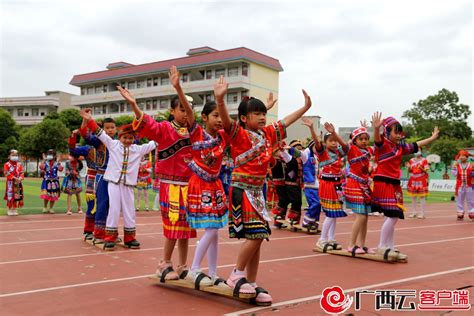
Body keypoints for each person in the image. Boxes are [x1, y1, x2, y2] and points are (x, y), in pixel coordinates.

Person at [217, 72, 312, 305]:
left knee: (257, 236)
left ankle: (250, 280)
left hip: (258, 191)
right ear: (244, 118)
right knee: (258, 233)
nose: (262, 117)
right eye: (256, 113)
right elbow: (227, 122)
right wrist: (220, 100)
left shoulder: (268, 134)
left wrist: (305, 107)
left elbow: (286, 121)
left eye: (263, 113)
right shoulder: (238, 135)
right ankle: (236, 274)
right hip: (241, 189)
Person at [120, 81, 195, 279]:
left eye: (189, 110)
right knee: (173, 227)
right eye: (182, 109)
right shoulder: (164, 129)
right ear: (172, 111)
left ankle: (183, 265)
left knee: (186, 229)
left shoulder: (194, 132)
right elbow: (147, 124)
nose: (186, 113)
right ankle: (165, 263)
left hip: (189, 187)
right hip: (171, 186)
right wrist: (134, 105)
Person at [167, 66, 229, 285]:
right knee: (211, 230)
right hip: (199, 185)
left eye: (221, 115)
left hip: (215, 186)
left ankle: (212, 273)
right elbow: (189, 111)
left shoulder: (224, 136)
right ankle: (194, 269)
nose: (220, 119)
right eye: (215, 115)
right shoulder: (197, 132)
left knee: (215, 231)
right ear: (204, 117)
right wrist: (178, 87)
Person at [80, 109, 156, 250]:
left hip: (128, 186)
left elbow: (156, 141)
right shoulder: (112, 144)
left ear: (134, 139)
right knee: (114, 209)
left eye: (130, 138)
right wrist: (89, 119)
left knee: (129, 210)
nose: (127, 140)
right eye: (124, 138)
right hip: (113, 184)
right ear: (119, 137)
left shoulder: (138, 149)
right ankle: (109, 237)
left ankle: (130, 238)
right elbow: (98, 132)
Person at [371, 113, 439, 259]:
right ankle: (381, 246)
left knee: (391, 217)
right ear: (387, 132)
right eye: (396, 131)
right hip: (383, 181)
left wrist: (432, 138)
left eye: (399, 131)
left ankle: (390, 247)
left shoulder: (400, 147)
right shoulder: (382, 144)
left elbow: (416, 144)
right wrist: (376, 129)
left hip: (394, 184)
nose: (399, 134)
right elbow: (377, 140)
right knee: (394, 215)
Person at [314, 124, 349, 251]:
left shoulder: (339, 153)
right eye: (331, 141)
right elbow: (317, 144)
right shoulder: (323, 153)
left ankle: (331, 239)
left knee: (335, 214)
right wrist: (312, 128)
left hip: (337, 185)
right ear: (325, 142)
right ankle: (322, 239)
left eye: (335, 141)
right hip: (327, 185)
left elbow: (346, 147)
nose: (334, 143)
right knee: (330, 213)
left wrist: (335, 132)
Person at [406, 150, 430, 219]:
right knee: (413, 196)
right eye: (416, 150)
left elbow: (426, 170)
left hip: (421, 178)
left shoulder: (424, 160)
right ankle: (414, 212)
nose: (417, 151)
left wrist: (421, 168)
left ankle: (422, 213)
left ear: (421, 151)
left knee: (422, 196)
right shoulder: (411, 160)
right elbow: (410, 171)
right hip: (413, 178)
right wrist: (409, 168)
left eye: (419, 150)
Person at [451, 150, 473, 220]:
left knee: (471, 200)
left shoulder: (471, 165)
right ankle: (460, 213)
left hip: (470, 185)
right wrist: (454, 167)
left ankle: (472, 213)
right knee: (459, 200)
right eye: (460, 156)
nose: (462, 157)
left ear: (466, 157)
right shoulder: (457, 165)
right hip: (459, 186)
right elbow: (454, 174)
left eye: (463, 156)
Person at [40, 149, 63, 214]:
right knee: (46, 195)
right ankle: (45, 207)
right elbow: (41, 167)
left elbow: (60, 169)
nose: (50, 156)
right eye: (49, 154)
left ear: (54, 156)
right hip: (46, 181)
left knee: (53, 195)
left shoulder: (56, 163)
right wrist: (44, 160)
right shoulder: (45, 162)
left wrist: (58, 161)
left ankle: (51, 208)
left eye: (52, 154)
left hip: (54, 181)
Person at [4, 149, 24, 216]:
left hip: (17, 182)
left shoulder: (19, 164)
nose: (15, 156)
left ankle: (14, 209)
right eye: (13, 155)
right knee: (10, 196)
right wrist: (14, 178)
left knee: (16, 196)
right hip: (10, 183)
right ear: (9, 156)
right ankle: (9, 209)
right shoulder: (7, 164)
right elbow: (6, 173)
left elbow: (21, 172)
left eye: (16, 155)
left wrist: (20, 178)